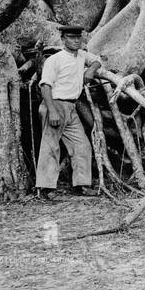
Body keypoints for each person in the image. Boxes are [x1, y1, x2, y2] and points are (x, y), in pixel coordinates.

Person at [35, 25, 100, 201]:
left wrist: (91, 69)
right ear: (63, 39)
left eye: (78, 37)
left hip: (71, 107)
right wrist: (52, 111)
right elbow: (45, 86)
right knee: (50, 146)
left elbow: (98, 60)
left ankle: (82, 185)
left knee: (82, 145)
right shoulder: (55, 59)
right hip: (54, 104)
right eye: (71, 37)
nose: (76, 40)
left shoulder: (81, 55)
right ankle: (45, 188)